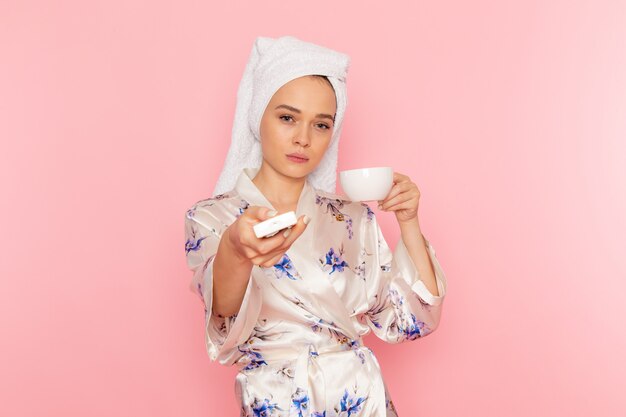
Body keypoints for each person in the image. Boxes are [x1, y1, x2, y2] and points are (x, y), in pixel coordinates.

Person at [184, 35, 448, 417]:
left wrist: (408, 222)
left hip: (360, 397)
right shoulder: (209, 217)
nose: (303, 139)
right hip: (274, 399)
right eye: (287, 117)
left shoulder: (353, 218)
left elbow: (409, 323)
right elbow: (223, 313)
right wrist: (236, 250)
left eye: (321, 125)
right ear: (259, 116)